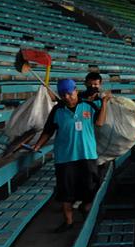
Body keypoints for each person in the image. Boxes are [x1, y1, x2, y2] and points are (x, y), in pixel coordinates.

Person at [30, 78, 109, 232]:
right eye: (63, 94)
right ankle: (68, 222)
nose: (67, 97)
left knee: (90, 186)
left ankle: (86, 209)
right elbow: (48, 130)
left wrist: (104, 103)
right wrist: (38, 144)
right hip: (65, 158)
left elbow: (99, 123)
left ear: (76, 91)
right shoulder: (57, 110)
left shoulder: (88, 105)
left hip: (87, 154)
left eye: (69, 93)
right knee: (66, 191)